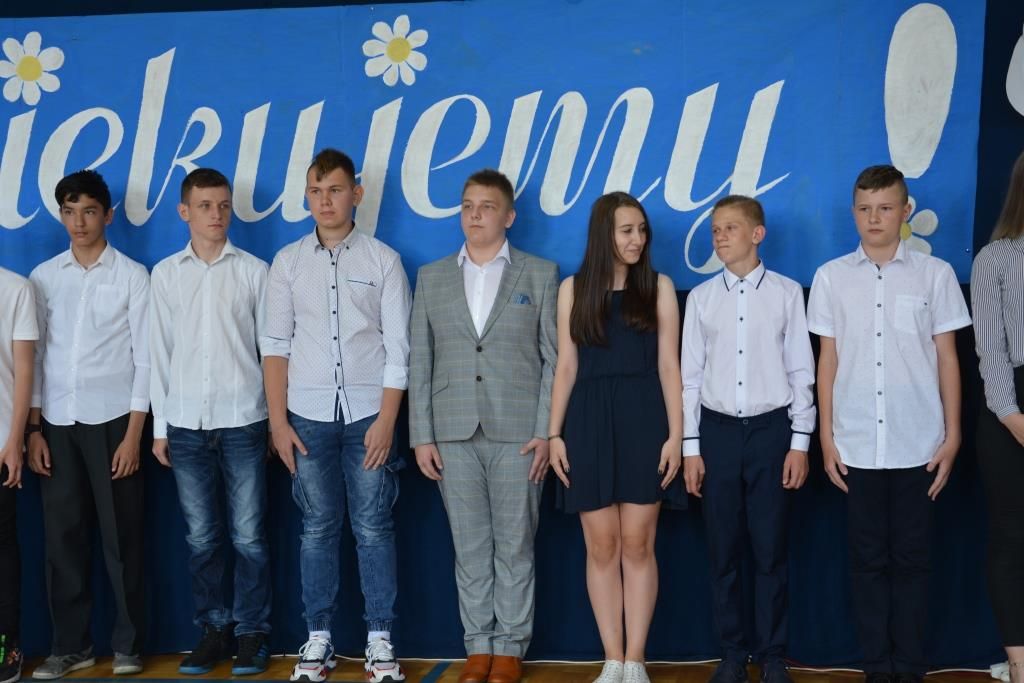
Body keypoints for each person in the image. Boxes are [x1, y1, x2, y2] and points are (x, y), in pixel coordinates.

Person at [807, 165, 970, 682]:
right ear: (853, 212)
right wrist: (826, 437)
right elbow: (827, 361)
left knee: (914, 561)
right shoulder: (831, 277)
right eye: (864, 208)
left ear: (905, 211)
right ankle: (877, 668)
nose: (874, 218)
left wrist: (953, 434)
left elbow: (948, 358)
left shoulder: (935, 275)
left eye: (884, 208)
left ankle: (911, 668)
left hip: (918, 443)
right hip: (856, 444)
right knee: (867, 563)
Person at [262, 148, 411, 683]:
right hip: (306, 416)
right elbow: (275, 346)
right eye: (316, 191)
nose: (325, 201)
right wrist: (278, 423)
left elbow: (398, 349)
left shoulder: (383, 260)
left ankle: (379, 639)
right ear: (308, 197)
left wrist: (388, 420)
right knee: (317, 528)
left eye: (335, 190)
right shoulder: (287, 263)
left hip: (370, 415)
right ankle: (319, 637)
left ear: (356, 194)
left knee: (373, 526)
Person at [409, 169, 557, 683]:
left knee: (515, 544)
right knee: (469, 545)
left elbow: (554, 360)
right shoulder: (431, 277)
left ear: (508, 216)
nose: (475, 215)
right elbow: (420, 360)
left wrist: (545, 430)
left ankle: (510, 646)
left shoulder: (539, 274)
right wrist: (421, 435)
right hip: (452, 432)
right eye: (468, 205)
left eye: (487, 206)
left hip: (520, 433)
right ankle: (477, 646)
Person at [548, 191, 685, 683]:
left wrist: (676, 435)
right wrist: (554, 434)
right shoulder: (572, 289)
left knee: (638, 544)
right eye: (627, 230)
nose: (637, 239)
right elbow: (567, 366)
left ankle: (635, 659)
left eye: (642, 230)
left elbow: (669, 366)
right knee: (602, 546)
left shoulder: (659, 287)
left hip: (645, 420)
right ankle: (611, 658)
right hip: (587, 422)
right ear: (603, 233)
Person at [681, 195, 815, 683]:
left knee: (770, 549)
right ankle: (733, 653)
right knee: (723, 551)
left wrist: (799, 442)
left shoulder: (786, 294)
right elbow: (690, 379)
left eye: (730, 228)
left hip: (770, 432)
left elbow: (801, 371)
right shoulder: (701, 299)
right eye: (716, 229)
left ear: (757, 234)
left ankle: (773, 654)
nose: (720, 237)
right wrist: (691, 448)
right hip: (716, 434)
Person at [27, 170, 149, 679]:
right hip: (57, 423)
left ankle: (129, 646)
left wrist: (134, 435)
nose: (79, 222)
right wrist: (34, 429)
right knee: (63, 540)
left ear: (108, 215)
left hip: (115, 421)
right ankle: (71, 646)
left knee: (123, 540)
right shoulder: (43, 277)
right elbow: (35, 356)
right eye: (70, 212)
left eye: (90, 211)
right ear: (61, 216)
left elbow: (146, 359)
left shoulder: (132, 276)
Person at [150, 168, 272, 675]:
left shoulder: (254, 271)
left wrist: (274, 421)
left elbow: (271, 352)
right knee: (201, 538)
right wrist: (160, 427)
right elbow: (158, 354)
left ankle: (252, 633)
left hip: (244, 420)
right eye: (205, 205)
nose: (216, 214)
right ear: (185, 211)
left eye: (223, 205)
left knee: (249, 537)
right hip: (185, 425)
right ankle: (213, 629)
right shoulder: (165, 274)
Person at [972, 150, 1024, 683]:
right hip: (1009, 407)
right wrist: (1014, 418)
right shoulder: (996, 259)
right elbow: (991, 351)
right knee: (1013, 537)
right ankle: (1019, 664)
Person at [0, 266, 38, 683]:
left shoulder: (15, 288)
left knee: (2, 551)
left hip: (1, 442)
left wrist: (16, 440)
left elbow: (25, 368)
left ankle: (6, 644)